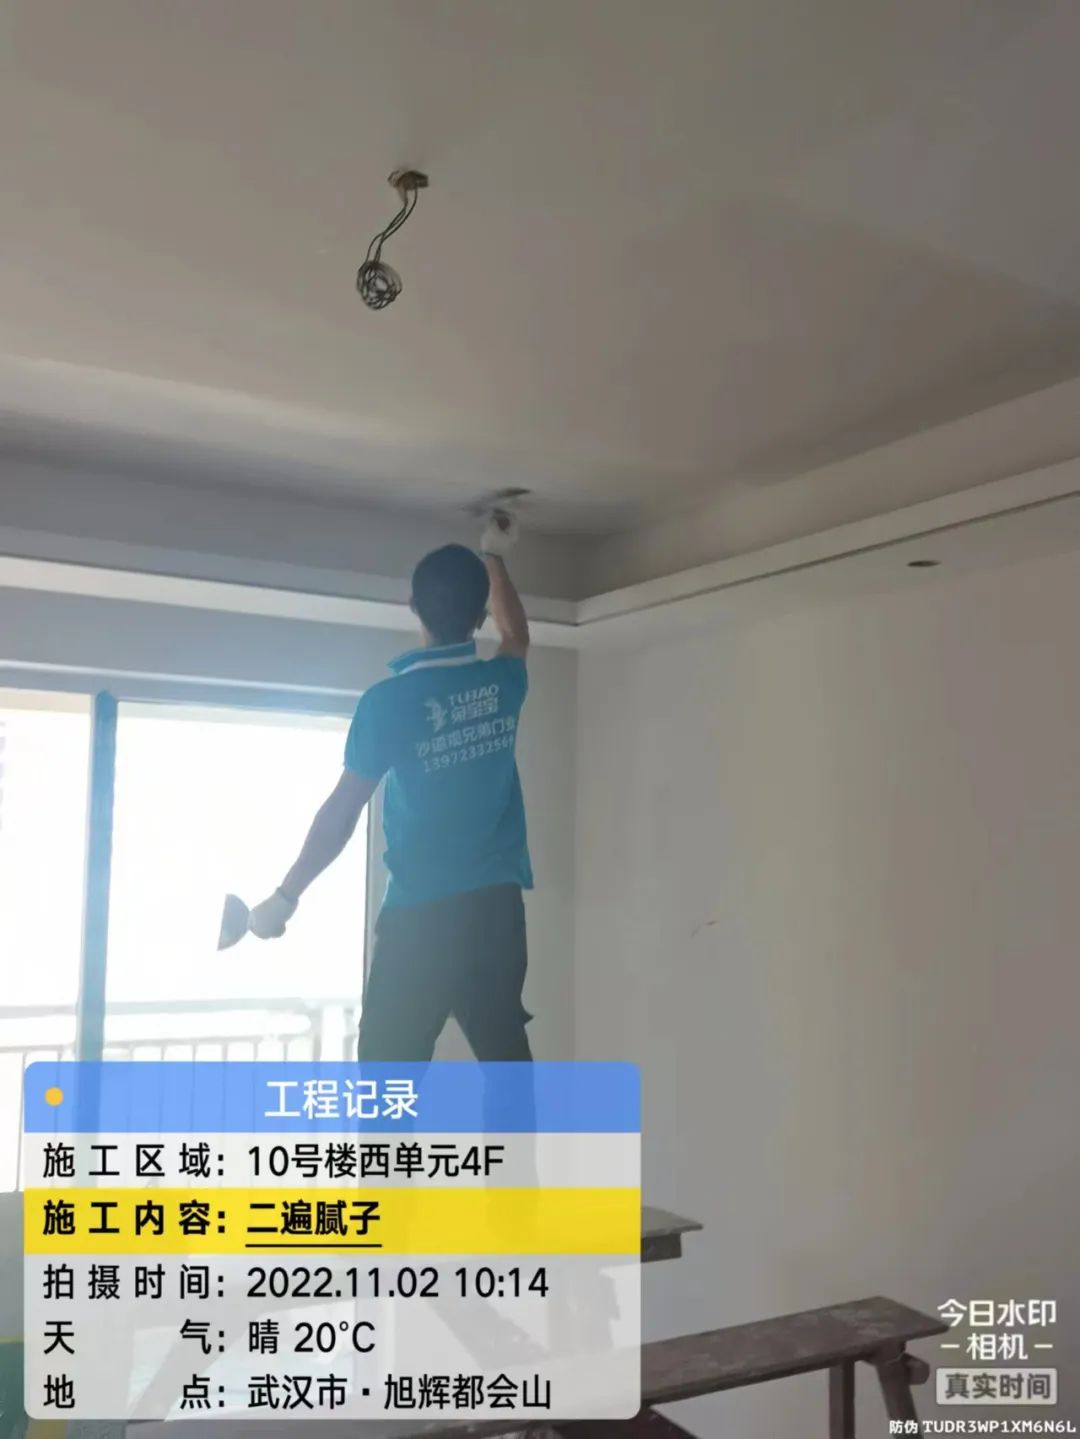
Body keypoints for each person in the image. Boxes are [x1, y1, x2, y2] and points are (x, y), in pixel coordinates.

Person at [245, 512, 534, 1062]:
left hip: (422, 917)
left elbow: (342, 811)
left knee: (385, 1077)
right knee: (507, 1068)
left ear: (412, 606)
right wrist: (494, 554)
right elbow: (516, 636)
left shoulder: (388, 702)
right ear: (478, 617)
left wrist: (286, 896)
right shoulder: (500, 683)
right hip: (495, 912)